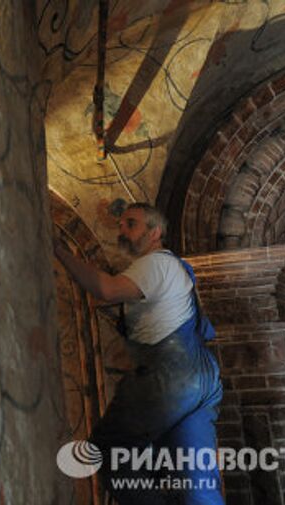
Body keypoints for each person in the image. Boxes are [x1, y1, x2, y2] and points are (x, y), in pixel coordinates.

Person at [54, 202, 224, 505]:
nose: (121, 230)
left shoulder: (154, 264)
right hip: (201, 377)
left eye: (130, 224)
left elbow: (105, 289)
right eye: (121, 224)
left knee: (109, 449)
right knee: (194, 481)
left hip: (172, 374)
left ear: (154, 232)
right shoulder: (172, 267)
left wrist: (58, 251)